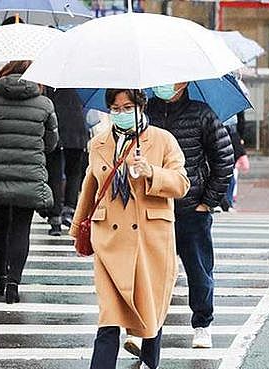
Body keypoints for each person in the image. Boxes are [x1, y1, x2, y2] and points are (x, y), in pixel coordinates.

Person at [69, 89, 190, 369]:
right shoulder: (99, 143)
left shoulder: (162, 140)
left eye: (127, 106)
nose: (120, 112)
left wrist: (150, 172)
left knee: (150, 308)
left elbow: (182, 183)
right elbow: (89, 187)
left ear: (141, 106)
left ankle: (149, 361)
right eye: (115, 107)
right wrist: (78, 230)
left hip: (150, 238)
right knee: (108, 317)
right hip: (108, 239)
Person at [147, 83, 234, 349]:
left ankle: (202, 323)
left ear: (183, 83)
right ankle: (147, 326)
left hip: (190, 208)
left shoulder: (202, 114)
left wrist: (207, 202)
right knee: (150, 273)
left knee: (198, 270)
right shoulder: (145, 113)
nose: (162, 85)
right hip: (152, 207)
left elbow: (224, 158)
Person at [0, 61, 58, 303]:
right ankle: (13, 283)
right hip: (30, 173)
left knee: (0, 225)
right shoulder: (44, 103)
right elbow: (52, 142)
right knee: (22, 228)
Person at [44, 88, 89, 233]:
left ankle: (55, 216)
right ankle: (70, 209)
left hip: (55, 125)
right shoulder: (79, 80)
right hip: (77, 127)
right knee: (74, 171)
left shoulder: (50, 81)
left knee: (55, 173)